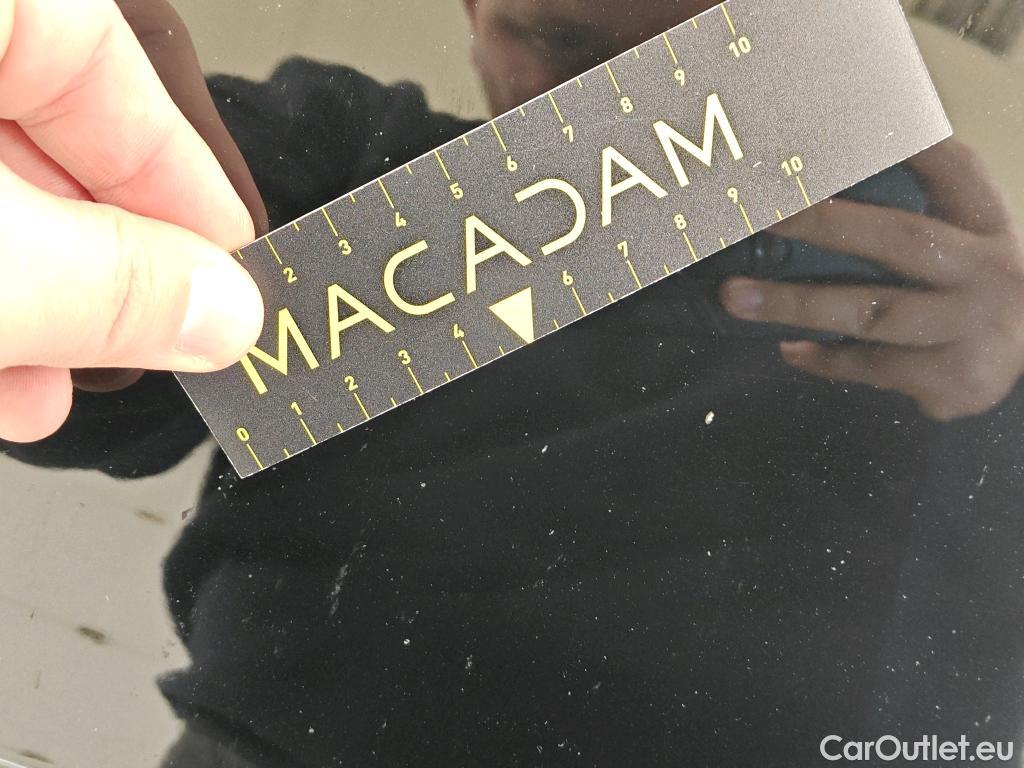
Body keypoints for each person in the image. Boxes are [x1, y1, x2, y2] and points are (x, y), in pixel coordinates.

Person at [3, 0, 1024, 765]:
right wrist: (77, 186)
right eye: (563, 41)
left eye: (709, 54)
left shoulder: (936, 311)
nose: (629, 110)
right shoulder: (354, 157)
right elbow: (94, 401)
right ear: (474, 18)